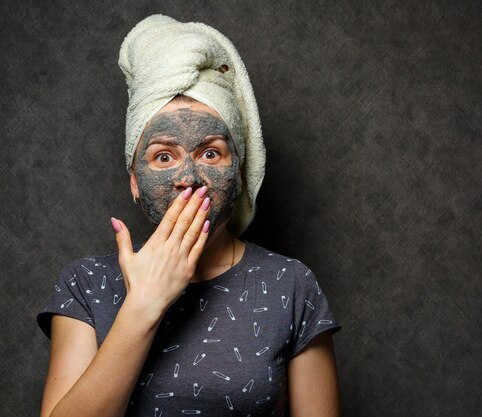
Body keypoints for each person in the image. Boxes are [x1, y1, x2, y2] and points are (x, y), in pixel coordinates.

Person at [36, 14, 341, 417]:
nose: (189, 178)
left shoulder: (291, 285)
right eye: (163, 156)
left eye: (210, 153)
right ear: (133, 180)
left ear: (240, 169)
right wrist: (143, 304)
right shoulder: (85, 284)